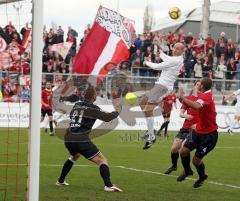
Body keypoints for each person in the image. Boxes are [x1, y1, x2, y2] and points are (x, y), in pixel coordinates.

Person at [56, 85, 123, 192]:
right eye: (96, 94)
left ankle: (60, 180)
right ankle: (108, 185)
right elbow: (107, 118)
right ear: (93, 97)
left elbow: (74, 117)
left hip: (68, 137)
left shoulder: (76, 105)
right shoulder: (94, 108)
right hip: (80, 139)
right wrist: (118, 111)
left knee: (74, 156)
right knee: (102, 160)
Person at [140, 42, 184, 149]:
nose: (175, 50)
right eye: (174, 47)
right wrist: (162, 54)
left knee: (147, 108)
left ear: (182, 51)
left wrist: (147, 62)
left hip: (163, 86)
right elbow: (168, 59)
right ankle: (150, 132)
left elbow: (158, 66)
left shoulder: (176, 60)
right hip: (160, 85)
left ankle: (151, 137)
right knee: (143, 102)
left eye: (178, 49)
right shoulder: (175, 59)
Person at [177, 77, 218, 188]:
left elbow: (196, 106)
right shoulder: (204, 95)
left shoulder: (206, 96)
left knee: (196, 160)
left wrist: (183, 98)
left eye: (198, 84)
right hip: (198, 131)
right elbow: (193, 104)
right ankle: (187, 171)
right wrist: (182, 99)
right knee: (184, 151)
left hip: (209, 136)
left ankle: (202, 177)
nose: (197, 85)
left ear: (202, 87)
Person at [164, 81, 200, 174]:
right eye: (197, 84)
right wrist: (185, 116)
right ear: (194, 87)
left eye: (200, 85)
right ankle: (174, 166)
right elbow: (181, 113)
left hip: (196, 130)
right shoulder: (188, 99)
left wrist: (199, 124)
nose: (199, 86)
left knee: (184, 148)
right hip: (185, 128)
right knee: (174, 149)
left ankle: (187, 170)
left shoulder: (203, 100)